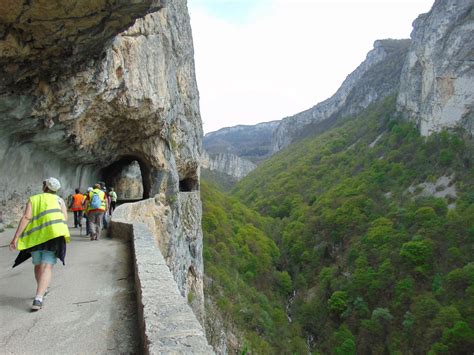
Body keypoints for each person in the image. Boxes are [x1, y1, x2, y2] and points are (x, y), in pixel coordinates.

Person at [9, 177, 70, 311]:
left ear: (45, 187)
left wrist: (16, 238)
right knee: (47, 266)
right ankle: (39, 297)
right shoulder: (59, 200)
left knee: (38, 265)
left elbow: (26, 217)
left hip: (36, 237)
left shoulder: (34, 199)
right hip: (54, 235)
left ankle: (41, 290)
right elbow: (64, 218)